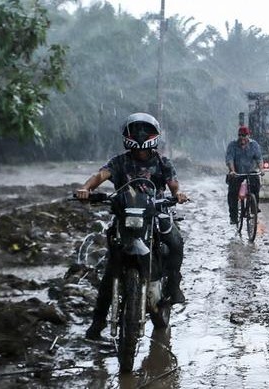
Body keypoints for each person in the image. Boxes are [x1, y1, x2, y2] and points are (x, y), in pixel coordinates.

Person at [76, 112, 189, 340]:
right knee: (111, 271)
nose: (139, 136)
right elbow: (100, 175)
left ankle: (174, 286)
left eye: (144, 131)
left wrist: (178, 194)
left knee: (176, 242)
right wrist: (85, 188)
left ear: (153, 135)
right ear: (127, 135)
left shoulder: (161, 162)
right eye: (135, 130)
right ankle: (97, 325)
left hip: (156, 214)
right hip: (125, 218)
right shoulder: (119, 161)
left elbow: (174, 184)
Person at [226, 125, 263, 224]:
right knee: (232, 193)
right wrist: (232, 171)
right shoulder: (232, 145)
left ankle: (254, 207)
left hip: (250, 172)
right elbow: (230, 159)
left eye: (244, 135)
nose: (242, 138)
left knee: (256, 185)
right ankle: (233, 216)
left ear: (248, 136)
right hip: (237, 172)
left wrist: (261, 170)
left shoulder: (254, 145)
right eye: (240, 135)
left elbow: (259, 159)